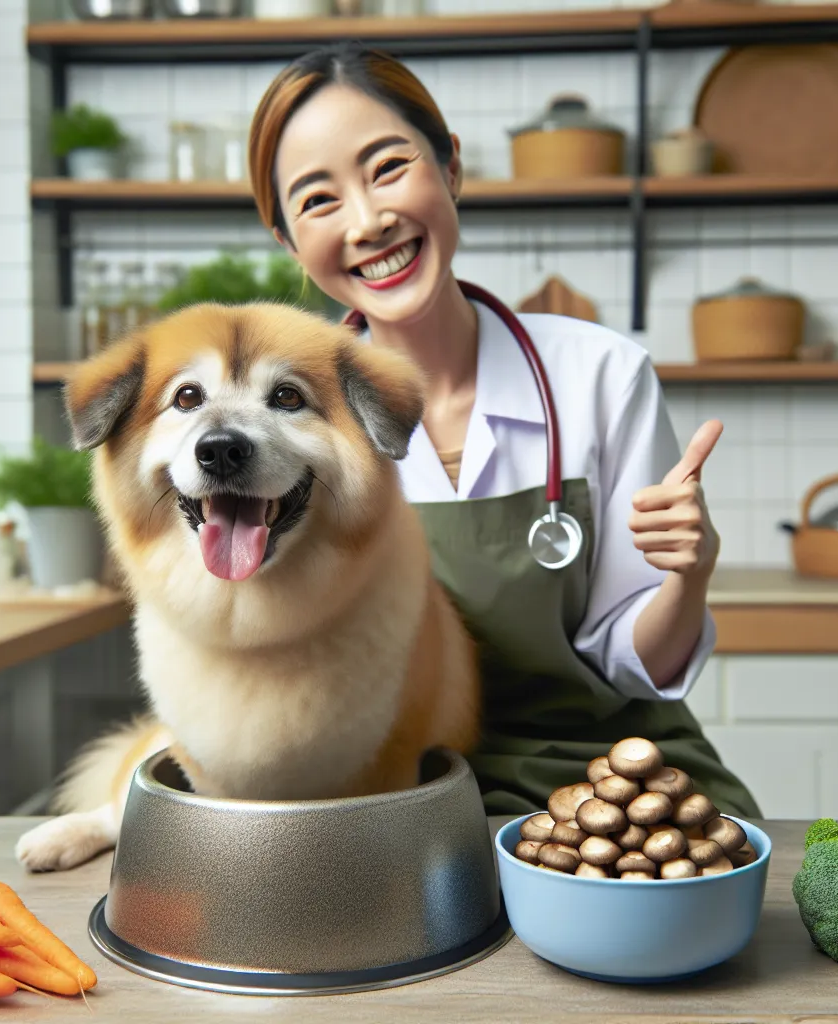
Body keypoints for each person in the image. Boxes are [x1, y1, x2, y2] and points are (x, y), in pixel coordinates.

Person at [245, 43, 761, 820]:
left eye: (388, 168)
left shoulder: (600, 376)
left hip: (618, 774)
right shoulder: (285, 430)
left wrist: (690, 575)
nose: (369, 220)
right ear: (287, 240)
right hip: (405, 788)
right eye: (318, 201)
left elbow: (633, 665)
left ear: (450, 167)